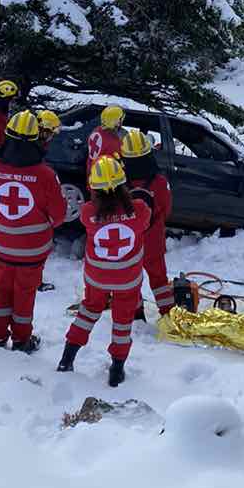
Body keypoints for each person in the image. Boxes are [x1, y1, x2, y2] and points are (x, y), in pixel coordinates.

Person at [0, 109, 65, 353]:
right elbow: (59, 215)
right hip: (33, 252)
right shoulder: (46, 175)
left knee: (1, 291)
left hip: (2, 246)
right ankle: (22, 340)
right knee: (24, 294)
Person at [57, 156, 150, 386]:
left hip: (97, 277)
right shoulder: (139, 210)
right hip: (127, 279)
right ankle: (116, 370)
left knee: (88, 311)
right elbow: (146, 218)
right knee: (122, 321)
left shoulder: (88, 211)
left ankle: (67, 359)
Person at [119, 127, 174, 319]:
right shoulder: (159, 182)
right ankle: (168, 314)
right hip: (153, 240)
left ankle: (136, 314)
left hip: (128, 241)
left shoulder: (119, 182)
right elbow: (166, 210)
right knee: (159, 279)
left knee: (131, 279)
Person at [86, 104, 126, 177]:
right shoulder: (113, 141)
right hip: (105, 179)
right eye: (120, 119)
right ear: (116, 122)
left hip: (92, 174)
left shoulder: (96, 131)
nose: (121, 121)